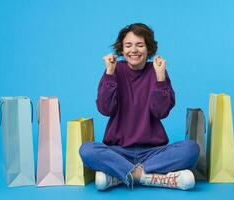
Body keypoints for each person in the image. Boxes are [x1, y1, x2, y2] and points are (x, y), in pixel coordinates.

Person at [79, 23, 199, 191]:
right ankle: (150, 177)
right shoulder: (113, 70)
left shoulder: (157, 71)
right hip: (118, 151)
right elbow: (105, 109)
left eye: (139, 45)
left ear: (148, 48)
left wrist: (160, 78)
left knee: (191, 148)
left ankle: (119, 175)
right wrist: (109, 74)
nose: (133, 50)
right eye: (128, 45)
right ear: (121, 49)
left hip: (153, 152)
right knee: (87, 150)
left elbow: (161, 112)